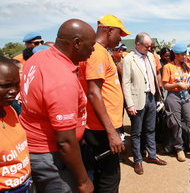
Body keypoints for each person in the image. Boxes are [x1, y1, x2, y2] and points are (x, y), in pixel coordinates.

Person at [19, 19, 95, 192]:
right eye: (91, 45)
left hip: (36, 149)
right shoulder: (61, 80)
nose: (93, 50)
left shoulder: (39, 57)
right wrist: (83, 181)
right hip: (52, 155)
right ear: (76, 43)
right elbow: (65, 142)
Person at [78, 14, 129, 192]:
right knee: (109, 178)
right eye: (119, 34)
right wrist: (111, 131)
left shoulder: (101, 52)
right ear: (109, 31)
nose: (120, 39)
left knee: (103, 174)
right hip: (102, 128)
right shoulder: (97, 53)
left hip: (105, 125)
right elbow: (93, 93)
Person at [122, 33, 167, 175]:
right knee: (136, 132)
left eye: (150, 46)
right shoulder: (129, 59)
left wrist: (158, 97)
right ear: (138, 45)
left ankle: (152, 155)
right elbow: (126, 83)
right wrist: (129, 104)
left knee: (151, 129)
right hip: (137, 100)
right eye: (147, 46)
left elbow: (154, 77)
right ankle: (138, 160)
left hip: (151, 98)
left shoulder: (151, 57)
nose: (150, 48)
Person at [161, 43, 190, 163]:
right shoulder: (168, 67)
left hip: (186, 97)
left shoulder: (187, 67)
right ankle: (179, 149)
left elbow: (189, 81)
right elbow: (165, 85)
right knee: (175, 124)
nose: (186, 56)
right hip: (173, 96)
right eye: (183, 54)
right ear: (177, 55)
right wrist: (177, 85)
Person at [0, 56, 31, 192]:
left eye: (16, 84)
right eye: (5, 86)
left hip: (24, 186)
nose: (14, 91)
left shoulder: (10, 110)